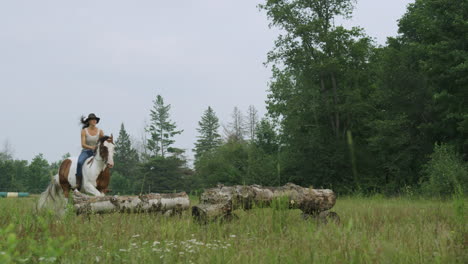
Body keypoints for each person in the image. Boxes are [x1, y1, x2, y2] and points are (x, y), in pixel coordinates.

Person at [76, 113, 104, 190]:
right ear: (89, 121)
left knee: (105, 164)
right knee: (79, 162)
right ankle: (78, 182)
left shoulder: (100, 131)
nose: (94, 121)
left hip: (97, 153)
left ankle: (104, 183)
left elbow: (103, 143)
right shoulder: (84, 131)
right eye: (92, 120)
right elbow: (83, 144)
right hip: (86, 151)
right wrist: (92, 147)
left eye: (95, 120)